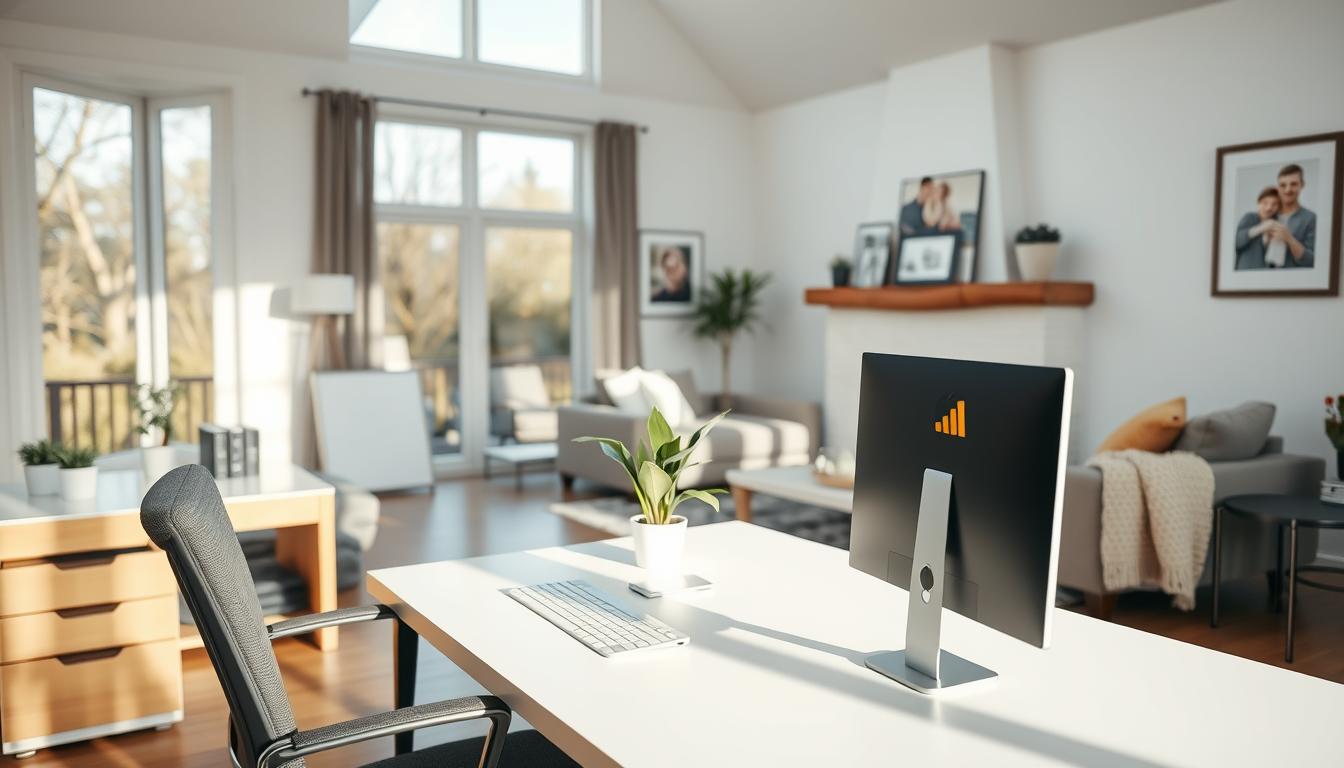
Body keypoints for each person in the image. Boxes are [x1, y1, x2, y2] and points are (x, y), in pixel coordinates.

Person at [1266, 163, 1315, 268]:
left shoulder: (1311, 218)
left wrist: (1289, 238)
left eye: (1293, 184)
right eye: (1283, 185)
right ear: (1278, 187)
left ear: (1302, 185)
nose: (1288, 190)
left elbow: (1311, 261)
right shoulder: (1268, 216)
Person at [1234, 187, 1286, 270]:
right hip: (1246, 272)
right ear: (1259, 203)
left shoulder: (1278, 225)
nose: (1269, 208)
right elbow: (1236, 242)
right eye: (1265, 203)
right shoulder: (1249, 217)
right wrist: (1262, 228)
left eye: (1274, 204)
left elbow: (1277, 261)